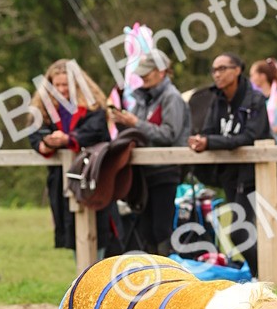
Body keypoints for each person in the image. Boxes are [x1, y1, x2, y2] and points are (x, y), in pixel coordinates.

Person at [188, 53, 273, 277]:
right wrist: (200, 140)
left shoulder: (254, 100)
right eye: (214, 70)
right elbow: (208, 132)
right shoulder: (216, 100)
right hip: (229, 173)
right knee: (242, 230)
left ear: (237, 70)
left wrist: (210, 142)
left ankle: (262, 276)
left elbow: (249, 136)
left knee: (239, 231)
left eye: (222, 68)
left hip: (254, 173)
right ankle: (259, 277)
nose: (217, 74)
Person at [30, 60, 118, 258]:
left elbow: (96, 132)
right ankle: (83, 275)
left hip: (93, 176)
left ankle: (96, 274)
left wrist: (69, 139)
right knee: (72, 234)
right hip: (61, 179)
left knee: (101, 232)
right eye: (57, 85)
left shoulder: (93, 107)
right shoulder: (44, 110)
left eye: (66, 85)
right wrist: (47, 143)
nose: (62, 90)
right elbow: (36, 135)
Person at [109, 47, 191, 255]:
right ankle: (152, 269)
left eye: (147, 72)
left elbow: (169, 134)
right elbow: (137, 132)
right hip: (144, 174)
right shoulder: (143, 98)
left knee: (161, 230)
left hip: (165, 172)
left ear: (161, 72)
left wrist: (136, 122)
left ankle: (167, 268)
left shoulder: (172, 98)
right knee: (146, 230)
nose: (142, 77)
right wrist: (121, 122)